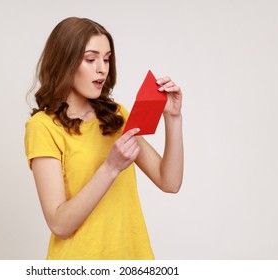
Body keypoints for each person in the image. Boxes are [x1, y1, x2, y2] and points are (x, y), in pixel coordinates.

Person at [24, 17, 183, 260]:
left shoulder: (115, 116)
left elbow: (169, 182)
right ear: (64, 62)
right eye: (91, 59)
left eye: (107, 59)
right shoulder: (43, 127)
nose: (102, 68)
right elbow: (59, 225)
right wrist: (111, 167)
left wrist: (172, 118)